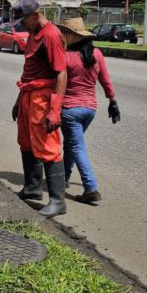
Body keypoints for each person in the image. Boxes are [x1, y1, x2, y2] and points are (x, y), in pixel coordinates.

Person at [10, 0, 69, 218]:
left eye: (23, 20)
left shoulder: (51, 35)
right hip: (28, 94)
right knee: (26, 142)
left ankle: (58, 201)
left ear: (35, 14)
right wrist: (18, 101)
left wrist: (55, 110)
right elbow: (28, 74)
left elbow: (61, 73)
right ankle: (32, 187)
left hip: (43, 98)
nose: (21, 25)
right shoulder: (34, 33)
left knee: (47, 145)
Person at [58, 19, 120, 204]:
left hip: (69, 109)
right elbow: (105, 80)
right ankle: (64, 178)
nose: (62, 37)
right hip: (89, 110)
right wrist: (113, 101)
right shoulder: (96, 54)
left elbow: (57, 83)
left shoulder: (66, 56)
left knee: (76, 146)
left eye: (64, 34)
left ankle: (90, 188)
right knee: (71, 144)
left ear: (73, 36)